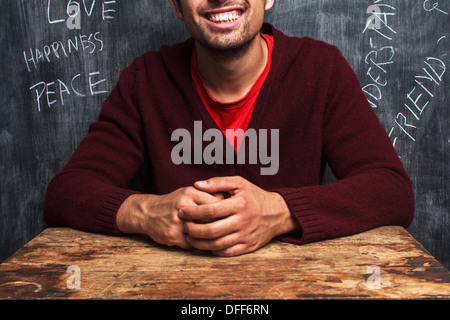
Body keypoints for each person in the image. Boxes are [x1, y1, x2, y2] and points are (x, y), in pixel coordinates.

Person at [44, 0, 415, 257]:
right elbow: (66, 194)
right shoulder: (146, 80)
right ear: (175, 5)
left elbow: (392, 190)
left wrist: (279, 211)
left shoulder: (320, 70)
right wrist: (145, 212)